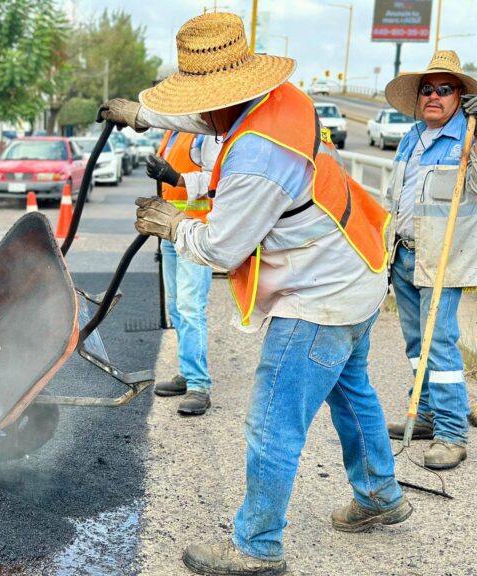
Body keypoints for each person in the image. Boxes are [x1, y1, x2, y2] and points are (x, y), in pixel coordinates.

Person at [100, 12, 410, 576]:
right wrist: (143, 114)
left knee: (272, 420)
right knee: (353, 393)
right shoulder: (283, 98)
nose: (201, 110)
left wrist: (172, 224)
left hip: (320, 296)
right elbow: (208, 120)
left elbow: (222, 248)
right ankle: (380, 496)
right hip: (360, 266)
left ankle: (257, 547)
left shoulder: (257, 157)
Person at [381, 50, 477, 470]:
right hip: (403, 254)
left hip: (442, 259)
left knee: (438, 343)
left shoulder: (470, 139)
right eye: (427, 89)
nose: (433, 96)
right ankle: (426, 411)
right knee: (417, 345)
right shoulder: (410, 137)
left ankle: (452, 431)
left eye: (444, 89)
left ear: (459, 96)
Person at [147, 131, 219, 415]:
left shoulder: (208, 134)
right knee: (176, 308)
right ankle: (187, 372)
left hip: (196, 232)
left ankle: (199, 386)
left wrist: (175, 176)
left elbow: (218, 180)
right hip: (170, 231)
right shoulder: (172, 133)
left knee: (190, 308)